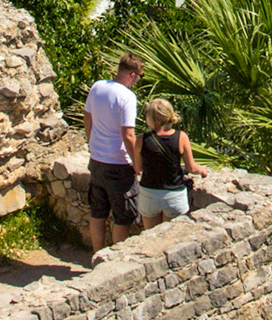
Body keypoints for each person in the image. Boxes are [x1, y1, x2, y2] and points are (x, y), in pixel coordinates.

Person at [82, 52, 143, 252]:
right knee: (122, 217)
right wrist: (136, 162)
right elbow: (128, 135)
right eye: (139, 77)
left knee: (98, 213)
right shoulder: (127, 97)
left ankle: (97, 255)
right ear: (133, 75)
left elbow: (87, 117)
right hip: (118, 164)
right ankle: (114, 263)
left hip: (97, 159)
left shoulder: (97, 86)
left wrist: (92, 143)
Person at [137, 99, 207, 228]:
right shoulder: (181, 137)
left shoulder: (142, 139)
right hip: (174, 193)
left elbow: (138, 168)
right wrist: (202, 170)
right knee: (172, 239)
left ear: (153, 119)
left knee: (151, 237)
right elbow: (191, 167)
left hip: (149, 193)